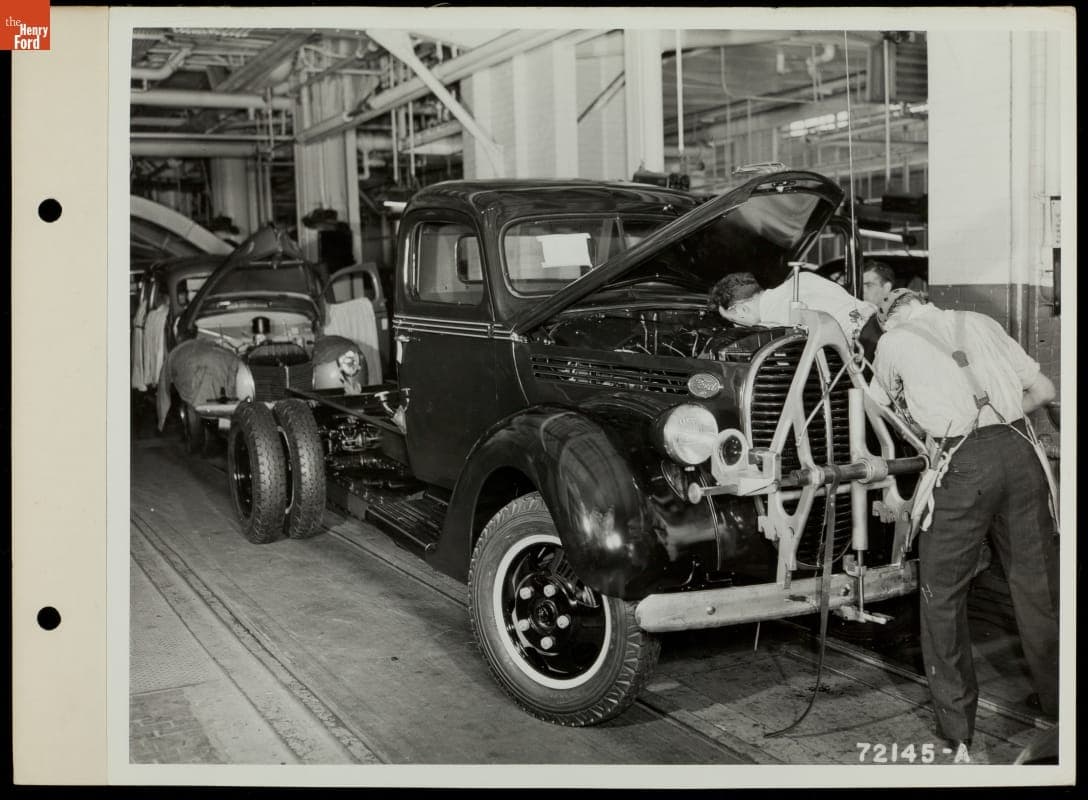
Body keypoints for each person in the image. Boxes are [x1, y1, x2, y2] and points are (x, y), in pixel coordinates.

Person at [868, 288, 1059, 754]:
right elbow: (1045, 391)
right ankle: (1060, 704)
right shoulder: (980, 322)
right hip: (1021, 451)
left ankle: (958, 730)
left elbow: (876, 405)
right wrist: (996, 421)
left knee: (943, 596)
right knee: (1040, 590)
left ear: (888, 317)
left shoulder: (893, 341)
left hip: (962, 464)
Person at [711, 270, 880, 357]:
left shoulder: (775, 323)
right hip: (883, 323)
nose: (735, 326)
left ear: (742, 309)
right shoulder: (803, 277)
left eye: (734, 321)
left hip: (867, 349)